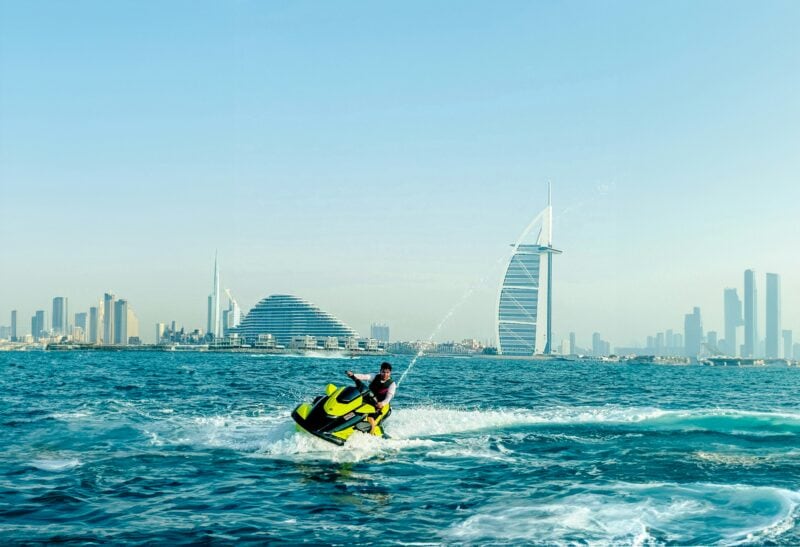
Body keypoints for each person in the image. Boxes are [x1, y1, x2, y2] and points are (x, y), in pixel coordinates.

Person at [345, 362, 396, 435]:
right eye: (383, 372)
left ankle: (371, 436)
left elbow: (388, 398)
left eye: (387, 372)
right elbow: (364, 376)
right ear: (380, 371)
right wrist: (353, 375)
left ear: (390, 372)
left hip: (379, 404)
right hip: (369, 400)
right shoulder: (375, 376)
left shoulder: (392, 384)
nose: (385, 374)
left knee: (370, 418)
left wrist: (382, 403)